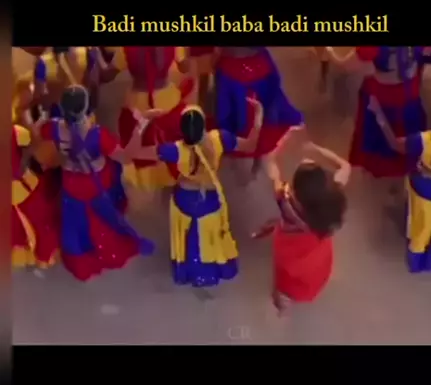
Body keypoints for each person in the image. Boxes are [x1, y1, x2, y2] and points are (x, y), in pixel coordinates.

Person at [129, 98, 264, 287]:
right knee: (209, 234)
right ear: (203, 126)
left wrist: (143, 122)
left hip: (184, 201)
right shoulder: (220, 138)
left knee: (189, 233)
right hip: (211, 202)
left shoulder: (175, 150)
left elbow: (133, 152)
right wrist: (258, 118)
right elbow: (250, 145)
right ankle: (211, 265)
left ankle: (189, 266)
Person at [36, 84, 154, 281]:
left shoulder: (54, 128)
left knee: (75, 220)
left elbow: (38, 131)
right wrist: (140, 127)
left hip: (71, 184)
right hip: (95, 184)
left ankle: (80, 253)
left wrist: (41, 117)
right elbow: (125, 158)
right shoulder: (98, 135)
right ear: (86, 107)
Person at [252, 126, 350, 315]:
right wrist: (317, 148)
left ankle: (281, 307)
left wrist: (283, 139)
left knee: (283, 283)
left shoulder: (285, 200)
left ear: (296, 189)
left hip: (289, 251)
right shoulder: (330, 198)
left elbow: (270, 163)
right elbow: (344, 166)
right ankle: (289, 301)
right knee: (310, 276)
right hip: (316, 251)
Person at [326, 46, 431, 178]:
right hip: (410, 95)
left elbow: (346, 66)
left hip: (383, 97)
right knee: (411, 138)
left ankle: (381, 169)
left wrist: (330, 53)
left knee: (381, 131)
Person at [372, 96, 431, 273]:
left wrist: (379, 115)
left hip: (424, 191)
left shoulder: (422, 140)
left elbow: (394, 144)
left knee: (412, 175)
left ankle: (420, 255)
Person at [105, 47, 196, 190]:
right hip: (168, 100)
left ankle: (148, 181)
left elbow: (108, 75)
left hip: (137, 104)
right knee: (171, 142)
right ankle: (171, 177)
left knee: (139, 143)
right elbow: (184, 68)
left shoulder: (126, 49)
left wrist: (96, 63)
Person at [215, 46, 304, 177]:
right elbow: (274, 82)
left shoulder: (227, 69)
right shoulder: (262, 58)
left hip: (236, 71)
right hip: (257, 68)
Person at [11, 79, 59, 270]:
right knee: (40, 218)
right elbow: (33, 148)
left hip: (19, 185)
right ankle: (40, 254)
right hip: (22, 186)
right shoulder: (17, 132)